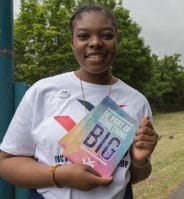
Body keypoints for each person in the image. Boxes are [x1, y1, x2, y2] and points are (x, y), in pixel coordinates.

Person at [0, 4, 158, 199]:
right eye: (83, 36)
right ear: (72, 43)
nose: (95, 43)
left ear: (117, 40)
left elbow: (134, 176)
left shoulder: (137, 101)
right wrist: (60, 175)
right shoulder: (43, 91)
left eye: (107, 35)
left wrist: (140, 161)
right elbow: (7, 162)